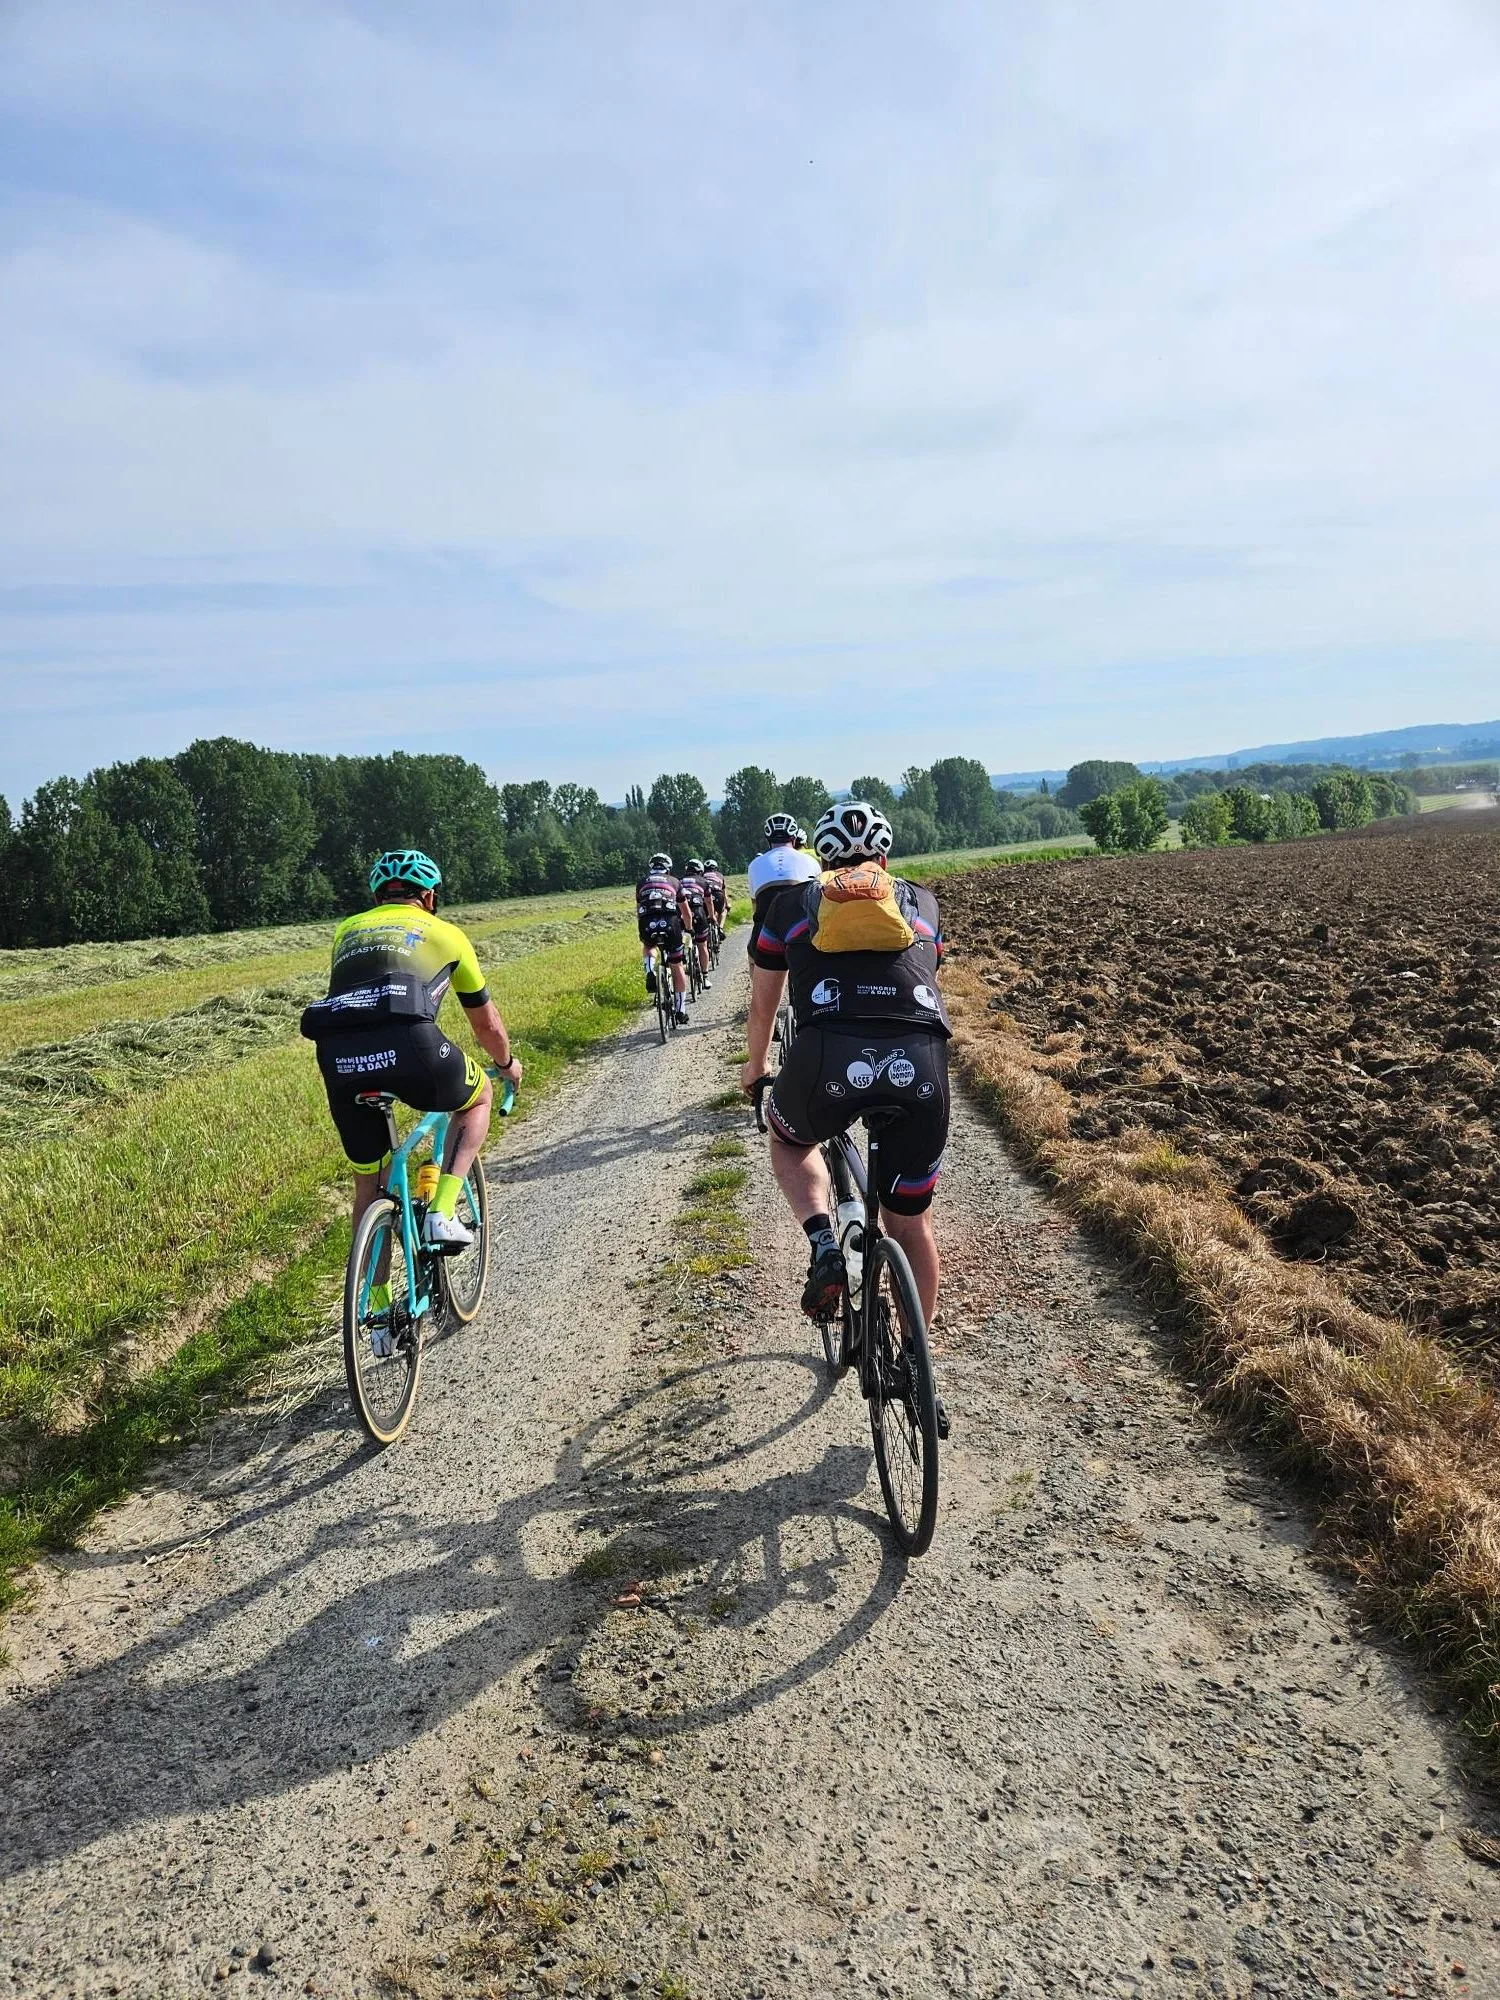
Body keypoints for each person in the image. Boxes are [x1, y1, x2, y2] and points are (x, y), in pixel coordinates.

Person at [740, 800, 949, 1328]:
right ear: (885, 856)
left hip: (826, 1058)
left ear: (822, 859)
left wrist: (756, 1067)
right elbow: (928, 972)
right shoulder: (923, 903)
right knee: (912, 1225)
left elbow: (764, 1004)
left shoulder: (790, 905)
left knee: (789, 1140)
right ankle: (916, 1361)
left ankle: (824, 1246)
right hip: (921, 1061)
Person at [301, 850, 523, 1263]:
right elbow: (486, 1026)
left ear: (377, 897)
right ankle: (442, 1212)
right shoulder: (447, 933)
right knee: (479, 1097)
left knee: (370, 1188)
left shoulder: (346, 930)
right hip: (410, 1044)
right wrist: (507, 1064)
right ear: (430, 896)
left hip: (337, 1056)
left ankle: (377, 1302)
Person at [637, 850, 690, 1026]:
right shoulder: (675, 881)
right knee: (677, 965)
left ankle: (650, 970)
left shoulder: (641, 882)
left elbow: (638, 910)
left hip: (647, 921)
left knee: (649, 946)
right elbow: (685, 912)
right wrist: (689, 929)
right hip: (670, 923)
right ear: (668, 868)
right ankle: (681, 1010)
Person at [746, 811, 820, 925]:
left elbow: (755, 905)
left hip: (765, 930)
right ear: (794, 839)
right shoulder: (811, 862)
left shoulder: (754, 865)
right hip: (800, 930)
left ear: (768, 840)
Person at [678, 860, 714, 989]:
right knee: (702, 944)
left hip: (681, 913)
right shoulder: (703, 881)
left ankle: (685, 957)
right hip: (698, 912)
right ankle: (705, 977)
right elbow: (709, 902)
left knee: (682, 938)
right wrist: (712, 916)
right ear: (700, 871)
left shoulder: (679, 881)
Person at [700, 856, 728, 939]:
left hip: (705, 895)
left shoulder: (702, 875)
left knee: (705, 912)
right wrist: (727, 904)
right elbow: (724, 892)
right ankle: (720, 928)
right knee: (723, 911)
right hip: (718, 894)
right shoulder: (720, 875)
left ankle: (705, 931)